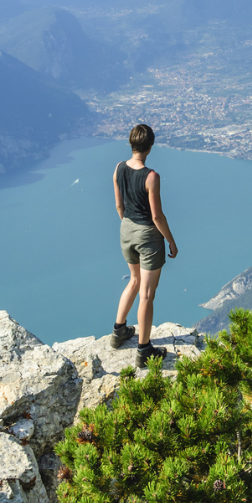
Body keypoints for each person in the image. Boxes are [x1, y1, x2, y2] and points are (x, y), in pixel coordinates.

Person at [110, 124, 178, 367]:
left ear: (131, 144)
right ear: (150, 147)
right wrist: (170, 240)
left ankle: (119, 332)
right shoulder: (151, 176)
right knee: (147, 294)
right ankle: (144, 349)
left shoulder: (118, 169)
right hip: (148, 236)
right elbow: (157, 216)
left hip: (126, 229)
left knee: (134, 280)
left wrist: (128, 227)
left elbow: (119, 206)